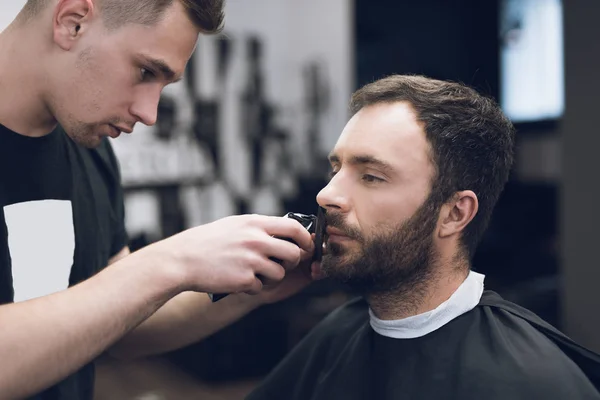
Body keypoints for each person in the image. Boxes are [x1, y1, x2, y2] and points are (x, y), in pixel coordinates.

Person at [0, 0, 320, 399]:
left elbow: (118, 328)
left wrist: (253, 287)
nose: (149, 114)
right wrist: (170, 261)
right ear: (73, 23)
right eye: (145, 71)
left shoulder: (89, 150)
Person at [246, 74, 600, 400]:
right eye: (336, 169)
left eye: (371, 176)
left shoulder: (533, 382)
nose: (326, 195)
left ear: (454, 214)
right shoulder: (337, 334)